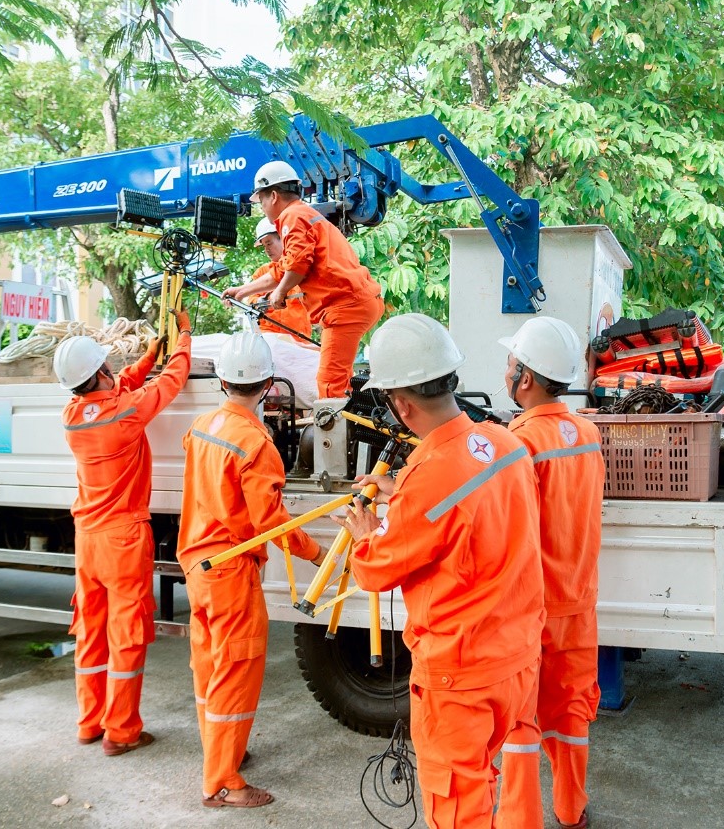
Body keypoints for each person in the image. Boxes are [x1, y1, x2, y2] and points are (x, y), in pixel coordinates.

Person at [339, 314, 544, 829]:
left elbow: (374, 572)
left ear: (401, 405)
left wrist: (367, 534)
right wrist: (405, 495)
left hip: (460, 677)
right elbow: (465, 506)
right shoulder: (507, 444)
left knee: (459, 808)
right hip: (516, 660)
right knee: (488, 778)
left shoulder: (428, 483)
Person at [179, 331, 326, 809]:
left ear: (222, 380)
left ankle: (220, 754)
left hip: (199, 565)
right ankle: (221, 781)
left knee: (210, 666)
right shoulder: (256, 445)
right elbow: (269, 523)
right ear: (268, 386)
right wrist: (313, 551)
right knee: (236, 671)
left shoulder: (203, 426)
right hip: (231, 569)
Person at [54, 311, 192, 756]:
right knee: (127, 633)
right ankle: (122, 731)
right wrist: (183, 337)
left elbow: (121, 387)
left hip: (87, 538)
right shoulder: (125, 414)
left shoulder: (74, 416)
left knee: (91, 632)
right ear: (99, 372)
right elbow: (172, 382)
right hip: (123, 537)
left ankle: (89, 722)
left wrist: (149, 354)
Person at [496, 317, 605, 829]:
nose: (506, 369)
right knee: (571, 711)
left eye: (511, 362)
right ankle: (571, 809)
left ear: (525, 378)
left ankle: (521, 821)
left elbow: (503, 527)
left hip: (530, 606)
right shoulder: (585, 431)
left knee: (521, 718)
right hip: (578, 601)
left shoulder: (519, 441)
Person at [223, 161, 384, 399]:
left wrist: (279, 293)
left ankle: (334, 435)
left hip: (345, 307)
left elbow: (298, 264)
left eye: (262, 201)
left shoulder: (292, 216)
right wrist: (243, 291)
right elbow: (283, 269)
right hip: (356, 303)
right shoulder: (304, 214)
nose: (262, 208)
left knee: (329, 385)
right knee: (340, 379)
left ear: (274, 196)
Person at [246, 217, 313, 341]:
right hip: (269, 336)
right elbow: (251, 302)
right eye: (264, 245)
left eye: (269, 243)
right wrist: (263, 301)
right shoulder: (262, 272)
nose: (266, 249)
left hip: (298, 338)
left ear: (284, 240)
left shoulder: (302, 269)